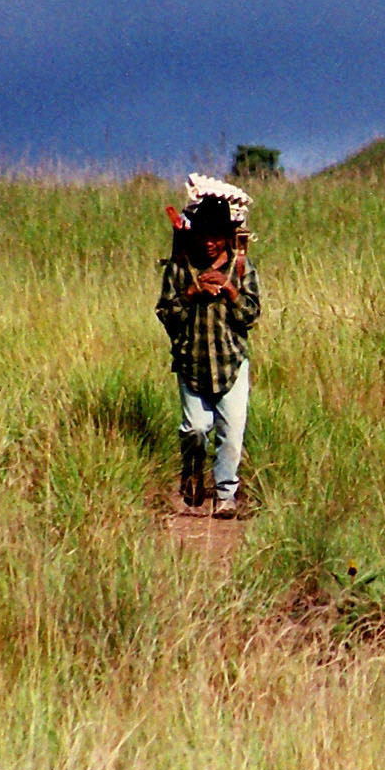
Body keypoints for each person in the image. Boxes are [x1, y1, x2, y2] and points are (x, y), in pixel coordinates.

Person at [154, 175, 262, 518]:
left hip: (231, 362)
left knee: (231, 432)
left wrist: (231, 292)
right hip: (191, 360)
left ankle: (225, 495)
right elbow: (165, 313)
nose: (210, 244)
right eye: (204, 236)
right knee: (195, 429)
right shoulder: (179, 269)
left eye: (216, 237)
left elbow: (250, 316)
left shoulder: (242, 268)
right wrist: (191, 293)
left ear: (227, 237)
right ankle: (192, 473)